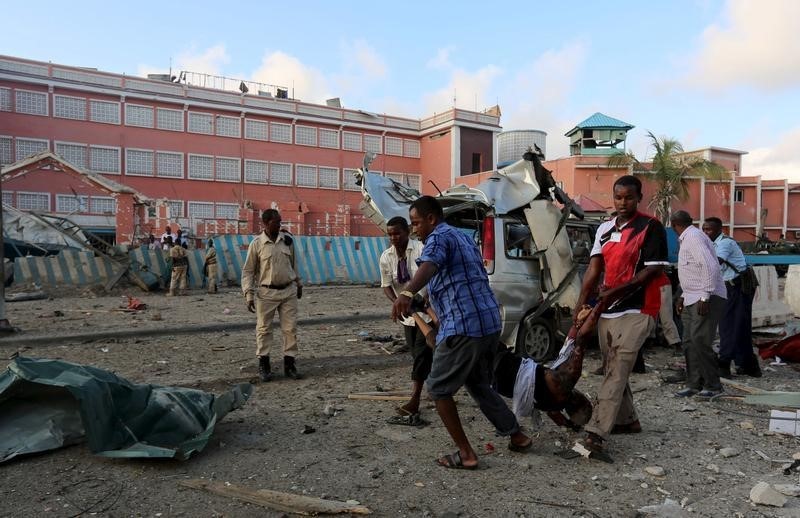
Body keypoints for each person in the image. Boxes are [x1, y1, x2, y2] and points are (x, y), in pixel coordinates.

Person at [392, 195, 532, 470]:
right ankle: (518, 436)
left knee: (438, 389)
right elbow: (454, 282)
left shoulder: (438, 237)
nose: (415, 229)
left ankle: (466, 454)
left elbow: (429, 266)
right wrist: (420, 303)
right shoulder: (463, 237)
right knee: (478, 384)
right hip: (488, 323)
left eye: (416, 223)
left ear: (431, 219)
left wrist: (407, 292)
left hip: (464, 326)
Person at [574, 175, 669, 461]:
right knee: (614, 366)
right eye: (618, 197)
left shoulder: (651, 227)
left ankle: (595, 435)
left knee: (615, 368)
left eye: (628, 197)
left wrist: (614, 291)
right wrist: (582, 305)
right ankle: (628, 421)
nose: (623, 202)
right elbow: (593, 270)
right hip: (608, 308)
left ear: (639, 198)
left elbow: (649, 271)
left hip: (639, 308)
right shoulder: (604, 228)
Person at [379, 216, 433, 424]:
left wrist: (421, 300)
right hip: (407, 316)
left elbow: (431, 278)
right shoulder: (386, 257)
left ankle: (415, 399)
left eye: (397, 233)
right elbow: (386, 284)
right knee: (418, 354)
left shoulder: (420, 249)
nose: (393, 237)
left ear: (407, 232)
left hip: (427, 311)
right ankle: (440, 387)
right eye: (390, 234)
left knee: (421, 353)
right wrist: (397, 303)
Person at [241, 209, 303, 382]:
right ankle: (264, 365)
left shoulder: (288, 241)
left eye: (280, 222)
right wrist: (249, 295)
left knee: (290, 329)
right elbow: (247, 272)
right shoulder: (257, 244)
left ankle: (289, 365)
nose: (280, 225)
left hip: (288, 292)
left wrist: (299, 283)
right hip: (266, 293)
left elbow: (293, 265)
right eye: (277, 222)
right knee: (264, 329)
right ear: (266, 223)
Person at [670, 211, 727, 398]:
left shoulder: (693, 238)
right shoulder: (688, 238)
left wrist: (705, 296)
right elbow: (691, 272)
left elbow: (709, 266)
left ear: (673, 225)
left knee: (700, 340)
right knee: (688, 341)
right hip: (690, 296)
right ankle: (694, 383)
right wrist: (682, 296)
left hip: (705, 297)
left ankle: (713, 385)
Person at [701, 217, 762, 378]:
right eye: (704, 229)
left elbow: (715, 263)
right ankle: (747, 365)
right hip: (729, 285)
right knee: (738, 325)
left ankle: (725, 363)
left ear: (720, 230)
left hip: (738, 286)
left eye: (710, 230)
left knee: (730, 325)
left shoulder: (725, 243)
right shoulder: (711, 243)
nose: (706, 233)